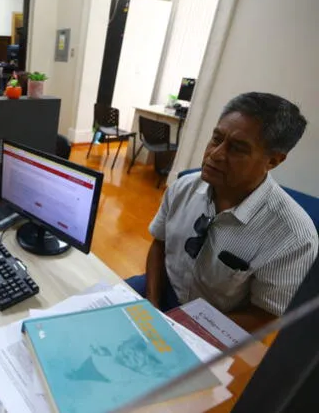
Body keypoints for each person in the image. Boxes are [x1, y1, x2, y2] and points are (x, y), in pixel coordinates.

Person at [127, 92, 318, 331]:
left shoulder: (294, 237)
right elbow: (159, 244)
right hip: (161, 290)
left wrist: (186, 328)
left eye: (237, 149)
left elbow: (265, 314)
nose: (215, 155)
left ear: (274, 160)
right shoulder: (184, 186)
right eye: (216, 139)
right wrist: (152, 304)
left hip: (218, 324)